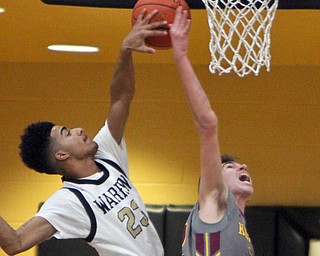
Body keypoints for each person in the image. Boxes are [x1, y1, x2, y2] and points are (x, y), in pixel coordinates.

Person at [0, 9, 166, 256]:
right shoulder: (69, 201)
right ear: (61, 155)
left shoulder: (106, 154)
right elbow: (14, 243)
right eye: (66, 133)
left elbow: (121, 97)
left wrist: (125, 51)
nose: (78, 129)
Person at [169, 7, 255, 255]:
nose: (243, 167)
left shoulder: (238, 225)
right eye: (230, 166)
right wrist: (181, 56)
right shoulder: (214, 201)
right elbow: (207, 125)